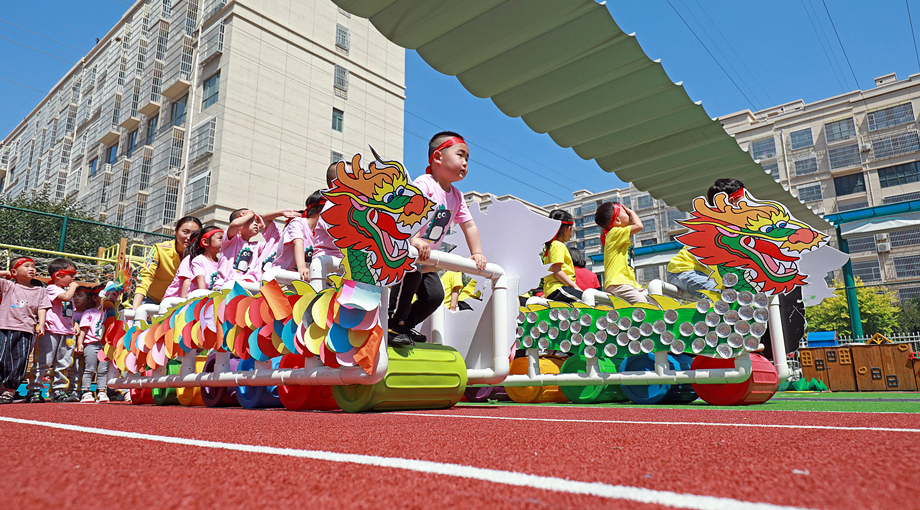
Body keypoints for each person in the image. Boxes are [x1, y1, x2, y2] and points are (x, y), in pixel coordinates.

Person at [388, 131, 486, 347]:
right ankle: (393, 324)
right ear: (438, 157)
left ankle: (406, 325)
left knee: (435, 295)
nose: (465, 163)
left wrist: (477, 252)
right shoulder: (424, 184)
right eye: (460, 155)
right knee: (410, 276)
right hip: (407, 252)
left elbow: (469, 225)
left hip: (426, 259)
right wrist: (413, 238)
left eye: (467, 159)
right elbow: (405, 212)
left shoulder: (457, 196)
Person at [665, 178, 744, 297]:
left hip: (703, 273)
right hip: (683, 270)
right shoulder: (718, 224)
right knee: (717, 295)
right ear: (732, 202)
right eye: (744, 200)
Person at [0, 257, 52, 404]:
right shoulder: (8, 285)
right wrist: (7, 273)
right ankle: (1, 388)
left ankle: (9, 390)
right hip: (4, 327)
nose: (32, 269)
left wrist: (41, 324)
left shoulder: (40, 291)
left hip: (26, 329)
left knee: (20, 360)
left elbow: (42, 308)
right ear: (14, 271)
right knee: (2, 358)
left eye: (33, 266)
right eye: (27, 266)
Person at [28, 258, 81, 403]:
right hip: (51, 330)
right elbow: (65, 297)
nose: (73, 278)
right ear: (58, 275)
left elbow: (69, 312)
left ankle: (58, 389)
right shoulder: (52, 289)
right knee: (44, 360)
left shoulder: (65, 291)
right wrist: (74, 287)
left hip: (66, 332)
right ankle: (35, 389)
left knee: (63, 362)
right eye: (71, 274)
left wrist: (74, 324)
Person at [132, 216, 201, 309]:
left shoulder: (200, 256)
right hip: (152, 302)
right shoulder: (160, 249)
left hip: (180, 305)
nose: (189, 237)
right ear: (175, 232)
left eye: (194, 234)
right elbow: (145, 276)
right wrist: (136, 309)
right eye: (185, 232)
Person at [216, 208, 295, 287]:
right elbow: (235, 224)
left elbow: (274, 241)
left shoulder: (256, 246)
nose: (256, 224)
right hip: (224, 285)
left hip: (244, 285)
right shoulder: (230, 241)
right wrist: (249, 215)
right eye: (251, 220)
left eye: (256, 221)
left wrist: (262, 225)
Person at [594, 202, 652, 305]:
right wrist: (633, 212)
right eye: (626, 212)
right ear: (617, 220)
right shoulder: (614, 232)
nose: (629, 214)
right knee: (643, 305)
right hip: (618, 284)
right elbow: (638, 226)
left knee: (655, 299)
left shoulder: (619, 235)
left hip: (626, 284)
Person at [274, 191, 324, 281]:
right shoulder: (298, 223)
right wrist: (301, 267)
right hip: (283, 279)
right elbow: (298, 243)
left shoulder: (321, 234)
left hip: (304, 281)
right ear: (320, 209)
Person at [540, 210, 582, 302]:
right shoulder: (557, 245)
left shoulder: (553, 245)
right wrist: (574, 286)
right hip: (558, 288)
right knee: (586, 299)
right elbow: (557, 270)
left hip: (556, 289)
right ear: (568, 229)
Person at [76, 288, 107, 403]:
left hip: (105, 346)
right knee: (89, 368)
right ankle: (86, 391)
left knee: (103, 370)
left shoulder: (110, 312)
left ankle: (102, 391)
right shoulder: (89, 313)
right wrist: (80, 343)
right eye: (103, 294)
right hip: (91, 344)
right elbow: (83, 329)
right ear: (94, 298)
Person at [187, 226, 224, 294]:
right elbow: (201, 281)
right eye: (220, 238)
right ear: (205, 242)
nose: (224, 241)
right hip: (200, 300)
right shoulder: (198, 260)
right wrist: (204, 299)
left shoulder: (221, 261)